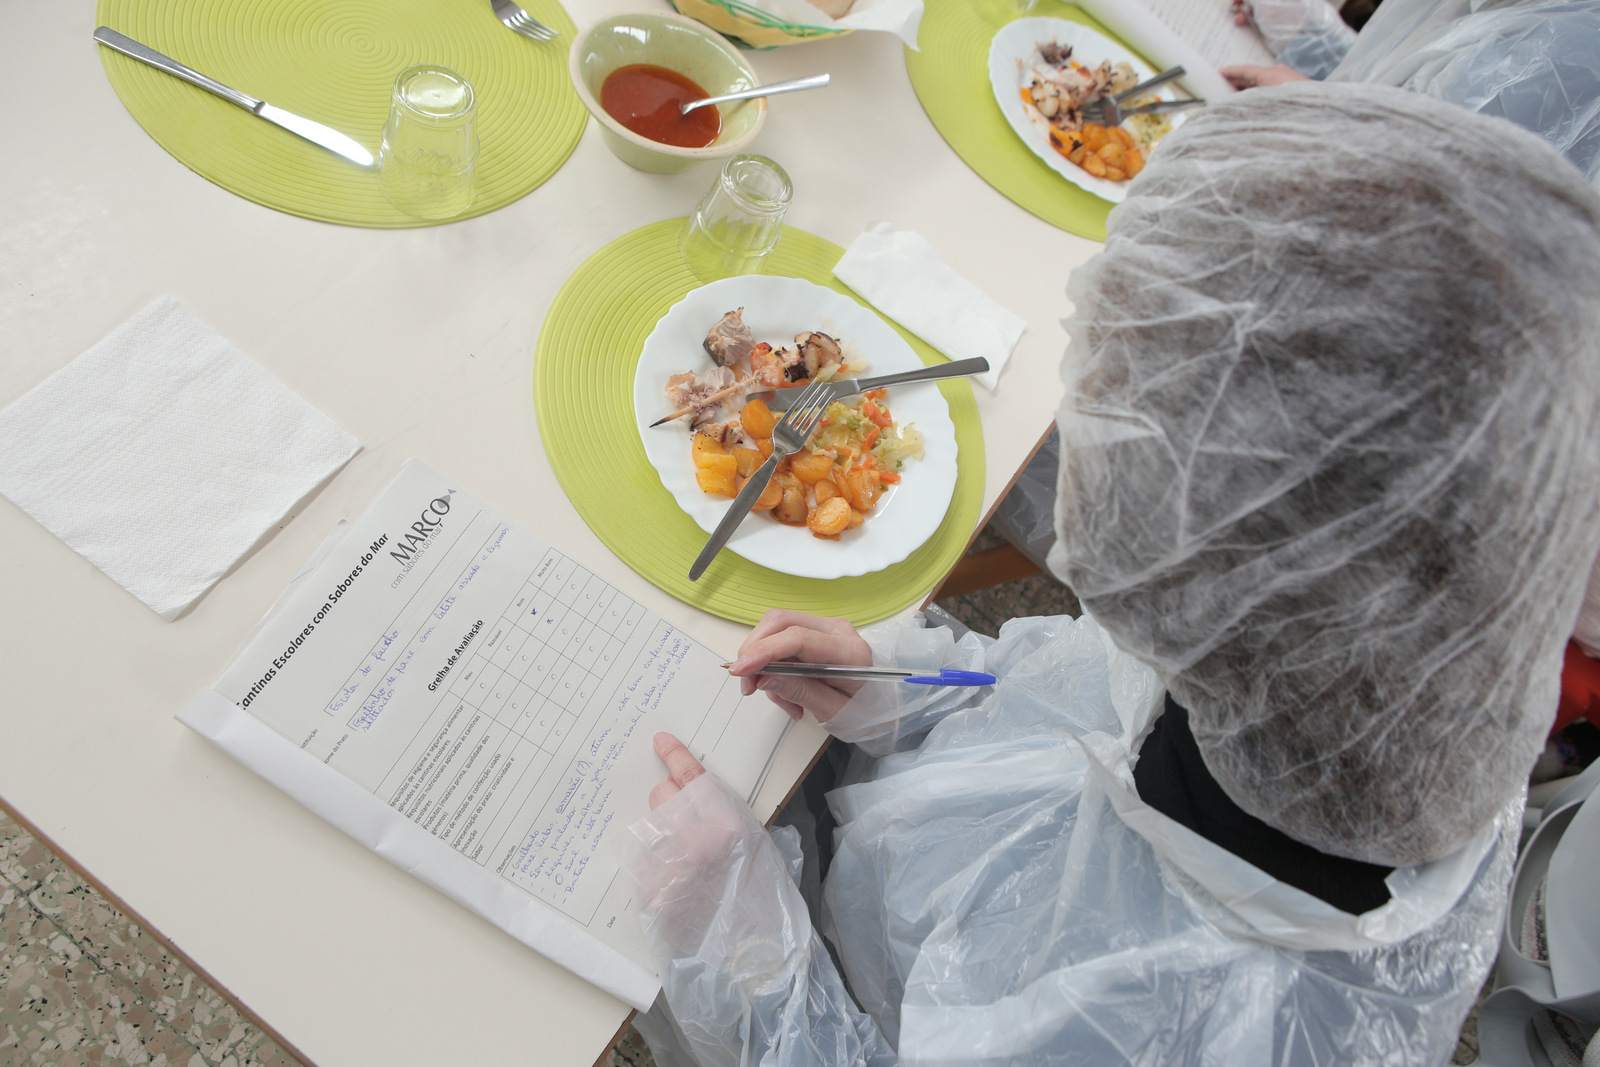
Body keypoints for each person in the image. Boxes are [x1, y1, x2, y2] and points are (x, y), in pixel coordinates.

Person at [622, 83, 1600, 1066]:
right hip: (911, 862)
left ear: (1208, 543)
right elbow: (1068, 687)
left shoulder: (1221, 1024)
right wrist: (905, 687)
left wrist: (750, 959)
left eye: (1114, 406)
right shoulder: (1356, 653)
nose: (1082, 409)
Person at [1222, 0, 1600, 187]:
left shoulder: (1568, 50)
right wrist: (1301, 30)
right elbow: (1408, 88)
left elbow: (1414, 181)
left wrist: (1317, 106)